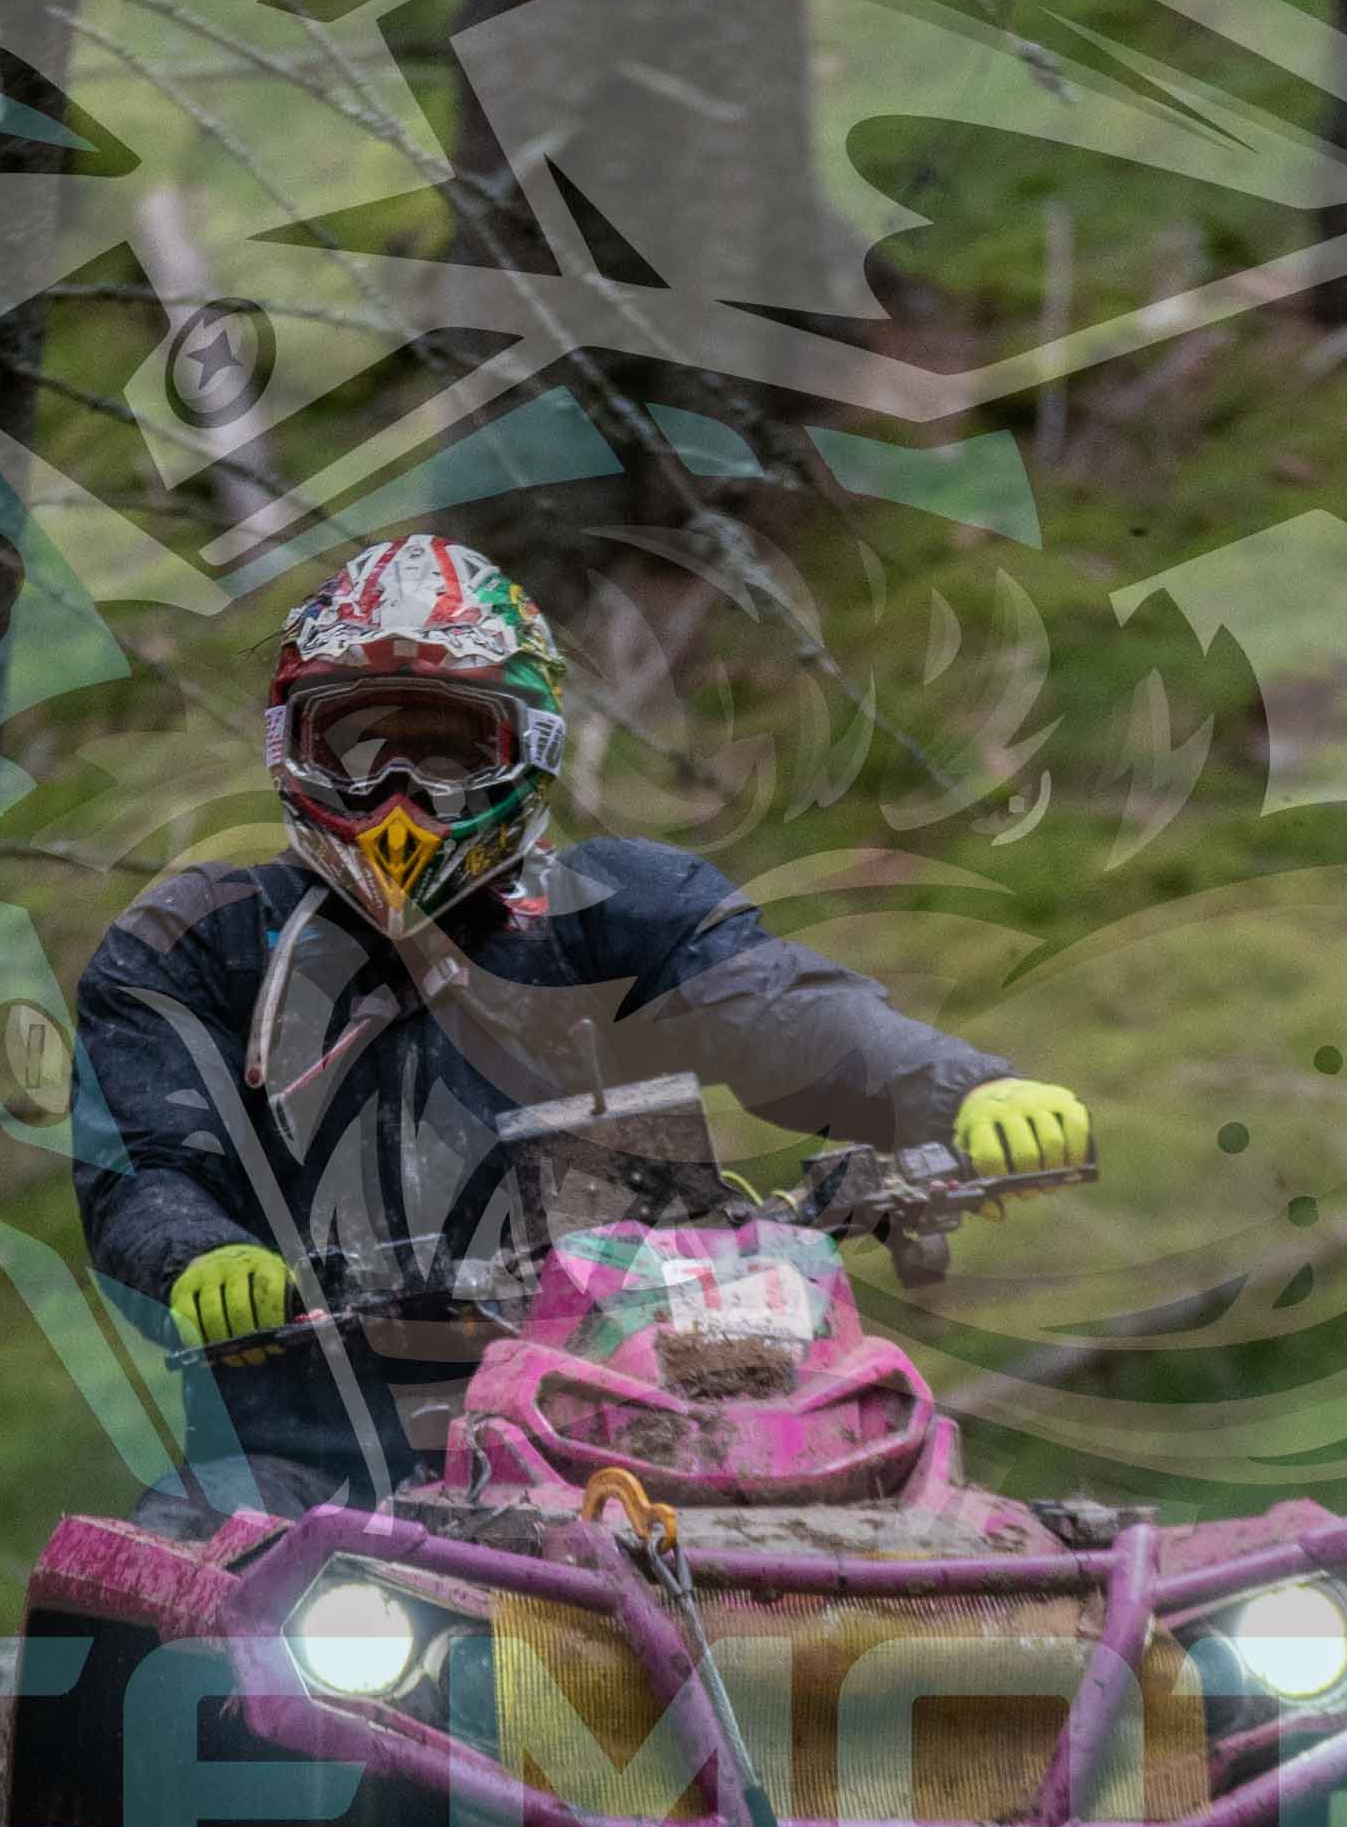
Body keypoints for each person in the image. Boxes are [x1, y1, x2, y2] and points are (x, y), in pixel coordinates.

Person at [72, 533, 1092, 1503]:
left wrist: (959, 1090)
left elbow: (781, 1012)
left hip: (655, 1418)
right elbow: (144, 1168)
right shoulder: (195, 943)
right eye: (360, 744)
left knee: (905, 1531)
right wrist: (200, 1254)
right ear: (293, 747)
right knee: (161, 1582)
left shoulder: (619, 909)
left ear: (527, 750)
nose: (399, 792)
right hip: (317, 1448)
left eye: (447, 751)